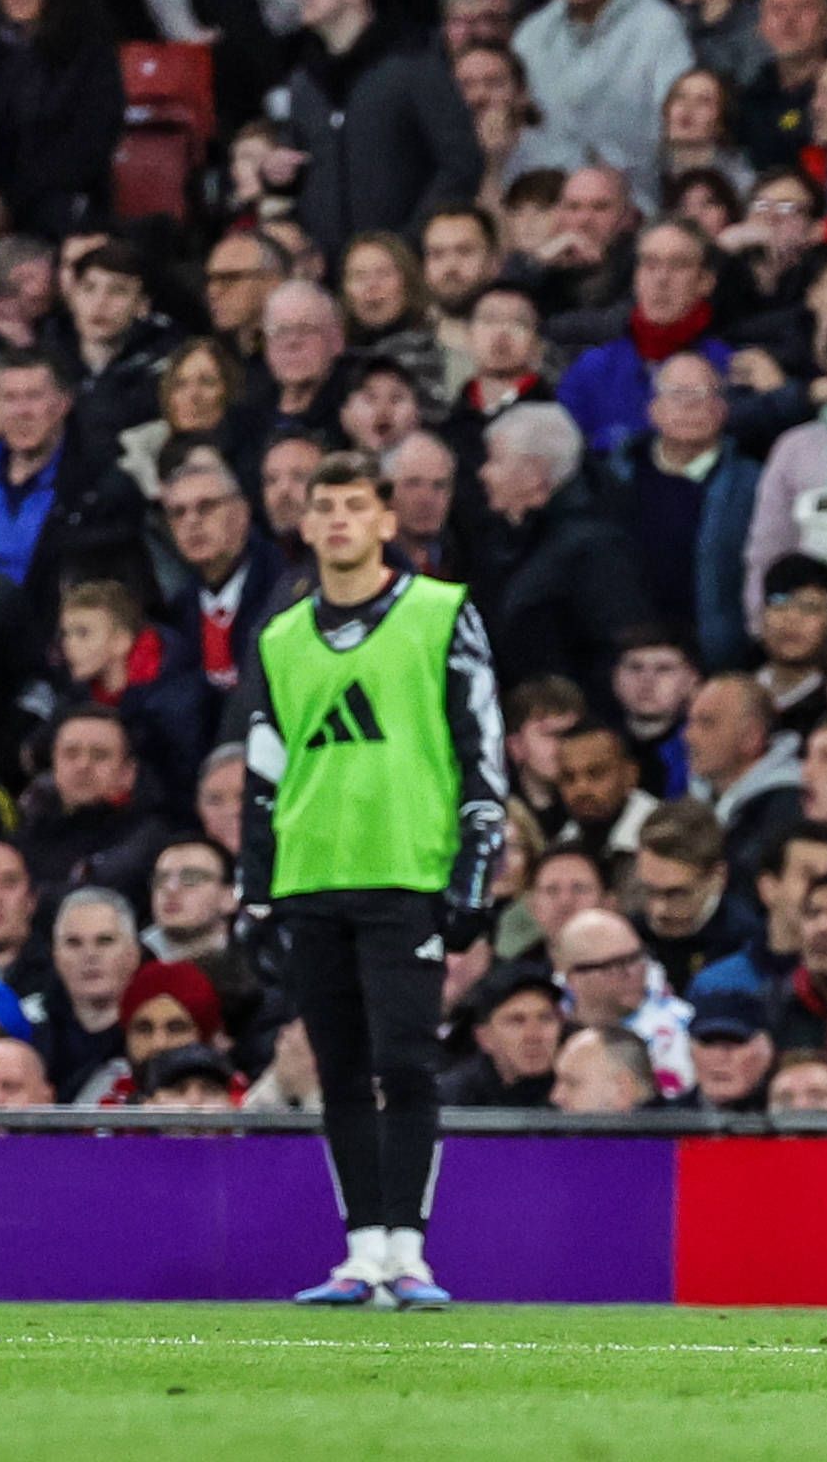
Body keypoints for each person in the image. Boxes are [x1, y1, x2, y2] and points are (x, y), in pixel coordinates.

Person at [240, 451, 506, 1309]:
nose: (343, 520)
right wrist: (256, 882)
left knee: (406, 1058)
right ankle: (361, 1252)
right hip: (314, 870)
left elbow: (481, 744)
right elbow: (263, 766)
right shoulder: (280, 638)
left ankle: (410, 1252)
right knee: (341, 1066)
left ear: (389, 522)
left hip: (406, 867)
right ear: (307, 524)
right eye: (327, 506)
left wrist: (475, 867)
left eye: (359, 504)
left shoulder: (439, 613)